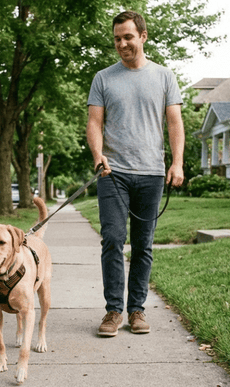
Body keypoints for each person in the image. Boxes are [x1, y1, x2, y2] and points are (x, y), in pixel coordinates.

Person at [86, 10, 185, 337]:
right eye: (117, 38)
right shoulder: (103, 78)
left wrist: (177, 162)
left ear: (142, 36)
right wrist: (98, 155)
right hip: (113, 174)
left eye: (128, 37)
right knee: (113, 239)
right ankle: (113, 311)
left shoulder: (164, 76)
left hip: (152, 174)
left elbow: (174, 123)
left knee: (143, 246)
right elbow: (94, 123)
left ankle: (137, 310)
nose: (122, 44)